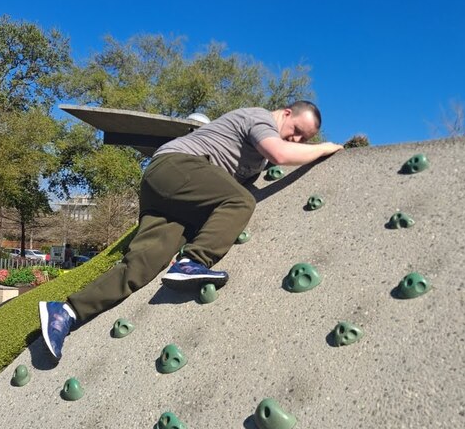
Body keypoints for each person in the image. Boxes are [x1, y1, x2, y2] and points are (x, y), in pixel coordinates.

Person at [39, 101, 343, 361]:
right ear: (286, 113)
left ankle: (65, 312)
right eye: (297, 131)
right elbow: (280, 154)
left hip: (175, 196)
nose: (297, 140)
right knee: (240, 201)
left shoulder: (258, 157)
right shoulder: (260, 118)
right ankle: (193, 262)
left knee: (142, 265)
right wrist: (325, 148)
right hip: (176, 167)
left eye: (305, 139)